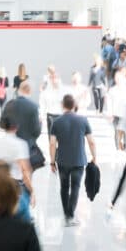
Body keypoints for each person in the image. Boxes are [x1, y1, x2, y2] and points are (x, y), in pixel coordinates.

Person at [49, 95, 97, 226]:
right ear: (74, 105)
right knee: (75, 187)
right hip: (78, 160)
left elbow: (52, 144)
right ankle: (70, 216)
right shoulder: (83, 120)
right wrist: (94, 156)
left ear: (62, 105)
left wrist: (52, 162)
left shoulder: (56, 122)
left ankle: (67, 215)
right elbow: (91, 141)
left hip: (62, 160)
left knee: (64, 187)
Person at [0, 115, 35, 221]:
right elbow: (25, 170)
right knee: (22, 217)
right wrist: (32, 191)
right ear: (16, 127)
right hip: (16, 186)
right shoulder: (21, 144)